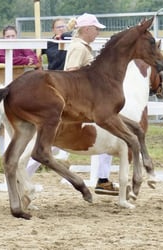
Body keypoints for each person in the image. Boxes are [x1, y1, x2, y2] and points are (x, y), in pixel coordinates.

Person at [64, 13, 118, 196]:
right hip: (79, 103)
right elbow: (71, 73)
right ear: (86, 29)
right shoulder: (79, 48)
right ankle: (102, 179)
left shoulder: (83, 47)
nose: (97, 33)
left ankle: (103, 179)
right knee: (49, 143)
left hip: (86, 102)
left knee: (109, 131)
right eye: (96, 29)